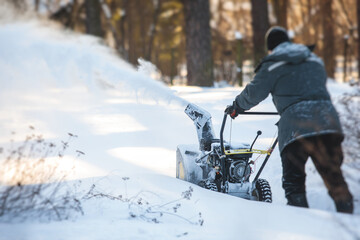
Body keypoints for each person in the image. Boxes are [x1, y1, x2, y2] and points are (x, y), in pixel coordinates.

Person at [226, 26, 353, 213]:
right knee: (334, 178)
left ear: (271, 47)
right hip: (327, 123)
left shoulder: (273, 64)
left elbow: (255, 92)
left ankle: (300, 225)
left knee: (294, 185)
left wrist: (237, 107)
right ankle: (348, 221)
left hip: (296, 128)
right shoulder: (313, 60)